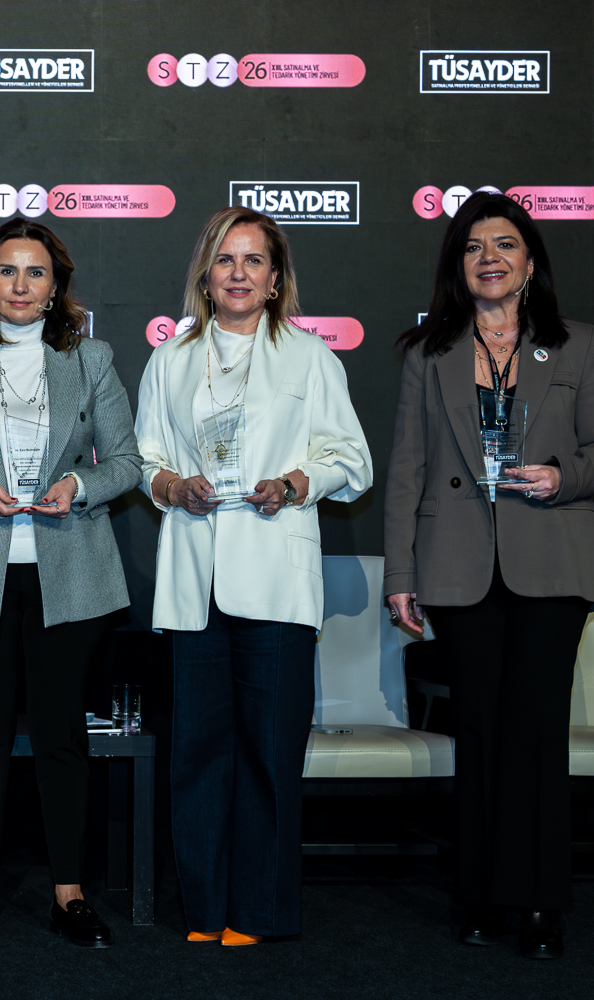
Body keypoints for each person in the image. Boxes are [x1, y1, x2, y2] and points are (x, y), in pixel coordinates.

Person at [384, 192, 594, 960]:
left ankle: (540, 902)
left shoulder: (577, 346)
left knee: (536, 736)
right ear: (457, 266)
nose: (488, 257)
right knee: (481, 735)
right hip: (457, 566)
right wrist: (400, 572)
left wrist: (563, 475)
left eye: (504, 244)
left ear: (530, 262)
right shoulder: (428, 354)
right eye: (472, 246)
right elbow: (406, 470)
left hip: (550, 564)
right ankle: (481, 896)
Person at [134, 206, 372, 946]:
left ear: (275, 280)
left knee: (269, 754)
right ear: (205, 276)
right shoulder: (170, 359)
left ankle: (259, 911)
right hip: (194, 580)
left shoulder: (310, 358)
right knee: (197, 755)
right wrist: (171, 487)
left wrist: (297, 483)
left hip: (275, 577)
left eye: (254, 261)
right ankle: (204, 911)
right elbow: (145, 460)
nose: (238, 273)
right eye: (225, 260)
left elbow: (352, 461)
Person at [0, 218, 141, 948]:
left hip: (71, 574)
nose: (20, 284)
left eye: (35, 272)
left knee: (62, 736)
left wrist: (79, 483)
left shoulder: (92, 359)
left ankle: (70, 893)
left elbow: (127, 462)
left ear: (55, 286)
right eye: (7, 270)